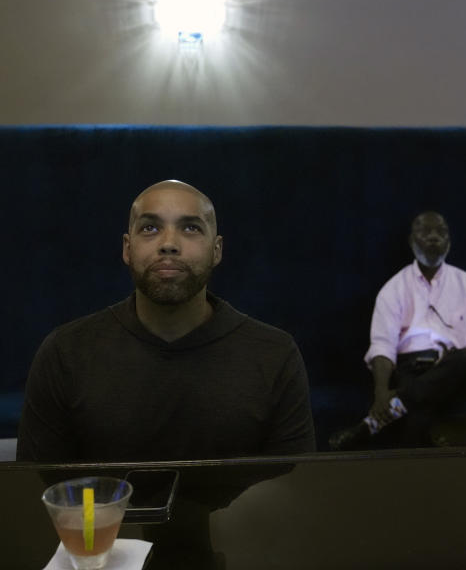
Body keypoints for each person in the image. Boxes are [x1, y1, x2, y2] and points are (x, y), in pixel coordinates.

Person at [17, 180, 315, 462]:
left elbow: (295, 497)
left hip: (241, 520)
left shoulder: (274, 354)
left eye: (190, 228)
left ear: (217, 250)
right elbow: (36, 495)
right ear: (127, 248)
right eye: (150, 228)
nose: (169, 244)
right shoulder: (66, 353)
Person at [330, 211, 466, 449]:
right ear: (411, 241)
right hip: (411, 371)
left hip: (457, 373)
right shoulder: (394, 288)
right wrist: (380, 394)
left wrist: (392, 399)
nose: (433, 237)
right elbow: (382, 345)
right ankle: (399, 407)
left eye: (441, 232)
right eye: (425, 231)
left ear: (449, 241)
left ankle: (378, 419)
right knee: (416, 427)